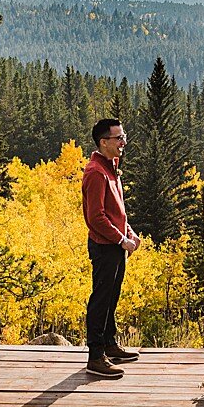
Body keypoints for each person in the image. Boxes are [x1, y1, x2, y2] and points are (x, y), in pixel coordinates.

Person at [82, 117, 142, 379]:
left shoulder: (112, 167)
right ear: (103, 142)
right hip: (105, 246)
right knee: (100, 300)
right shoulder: (95, 172)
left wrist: (130, 232)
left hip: (116, 244)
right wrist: (121, 239)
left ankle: (109, 344)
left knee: (112, 297)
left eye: (123, 136)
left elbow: (117, 210)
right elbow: (95, 217)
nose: (123, 142)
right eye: (118, 138)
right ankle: (95, 357)